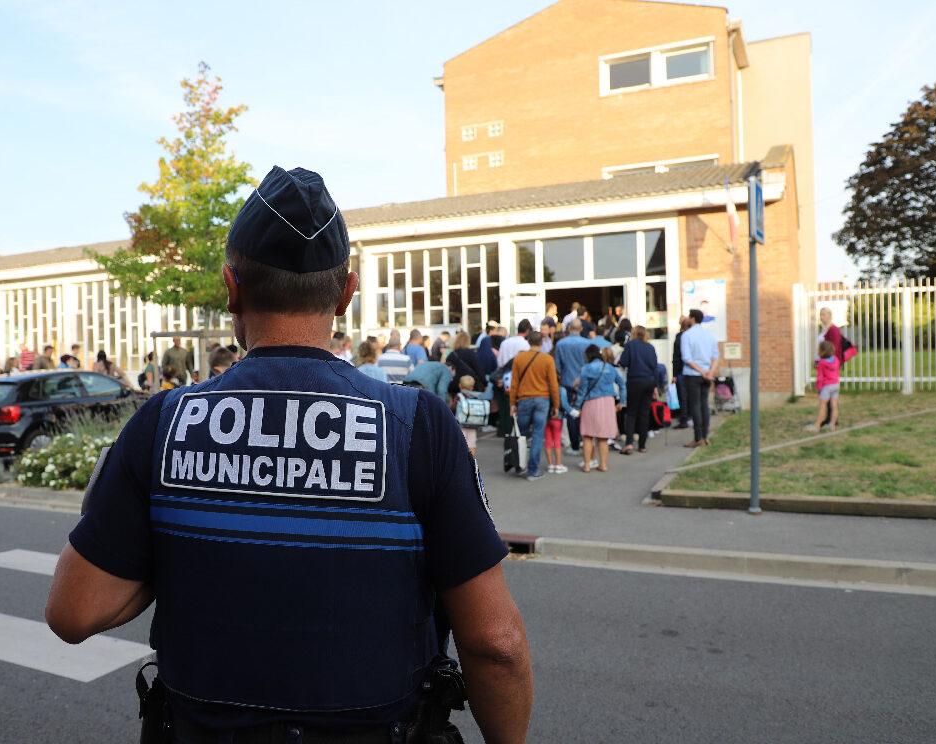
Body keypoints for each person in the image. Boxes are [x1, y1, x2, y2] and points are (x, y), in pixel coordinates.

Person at [46, 165, 532, 743]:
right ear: (347, 294)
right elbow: (495, 644)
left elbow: (74, 612)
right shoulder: (418, 426)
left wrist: (173, 556)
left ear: (231, 287)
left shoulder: (164, 422)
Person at [508, 331, 560, 481]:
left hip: (524, 399)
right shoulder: (547, 359)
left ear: (528, 341)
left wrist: (512, 403)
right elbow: (553, 385)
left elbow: (514, 383)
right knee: (537, 435)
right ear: (542, 342)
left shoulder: (519, 358)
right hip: (542, 400)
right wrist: (556, 404)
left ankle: (519, 466)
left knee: (522, 435)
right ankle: (532, 471)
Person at [575, 345, 625, 473]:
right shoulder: (609, 368)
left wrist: (576, 407)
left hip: (591, 402)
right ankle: (603, 464)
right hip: (608, 402)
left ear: (588, 356)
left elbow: (582, 390)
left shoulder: (586, 369)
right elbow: (621, 384)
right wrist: (622, 401)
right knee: (603, 437)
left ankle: (587, 465)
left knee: (588, 435)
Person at [680, 308, 719, 447]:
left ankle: (698, 437)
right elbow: (715, 356)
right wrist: (710, 372)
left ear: (693, 319)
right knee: (704, 405)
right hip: (707, 375)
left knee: (695, 405)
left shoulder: (687, 335)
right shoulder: (709, 335)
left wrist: (702, 371)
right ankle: (705, 436)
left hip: (693, 374)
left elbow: (687, 358)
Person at [617, 326, 659, 454]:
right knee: (644, 413)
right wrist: (655, 386)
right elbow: (655, 367)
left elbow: (623, 362)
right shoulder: (650, 347)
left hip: (635, 381)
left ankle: (629, 443)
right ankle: (642, 444)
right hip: (649, 382)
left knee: (631, 413)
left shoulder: (630, 345)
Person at [553, 320, 592, 456]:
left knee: (570, 413)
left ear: (569, 328)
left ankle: (575, 445)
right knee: (584, 411)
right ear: (581, 328)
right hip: (584, 381)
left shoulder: (561, 344)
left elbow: (557, 366)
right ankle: (585, 440)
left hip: (568, 381)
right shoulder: (587, 343)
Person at [806, 340, 841, 432]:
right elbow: (837, 372)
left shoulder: (821, 363)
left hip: (826, 387)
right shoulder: (836, 360)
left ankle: (817, 425)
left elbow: (820, 377)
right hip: (836, 385)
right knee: (834, 406)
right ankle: (832, 424)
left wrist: (818, 388)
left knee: (822, 406)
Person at [454, 375, 493, 455]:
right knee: (471, 445)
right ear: (472, 387)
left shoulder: (459, 396)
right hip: (473, 424)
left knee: (459, 444)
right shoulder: (477, 396)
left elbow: (454, 407)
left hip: (461, 425)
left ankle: (460, 462)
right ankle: (471, 463)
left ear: (460, 385)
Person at [671, 316, 691, 429]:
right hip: (693, 372)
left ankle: (684, 419)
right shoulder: (692, 337)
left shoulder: (680, 338)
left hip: (682, 372)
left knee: (683, 396)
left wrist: (674, 374)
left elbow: (676, 357)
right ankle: (688, 416)